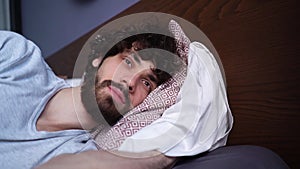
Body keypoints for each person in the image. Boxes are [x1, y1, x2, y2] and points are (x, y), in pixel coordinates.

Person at [0, 28, 182, 169]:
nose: (130, 82)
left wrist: (168, 153)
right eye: (128, 62)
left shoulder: (79, 154)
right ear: (99, 58)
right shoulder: (17, 57)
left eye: (147, 83)